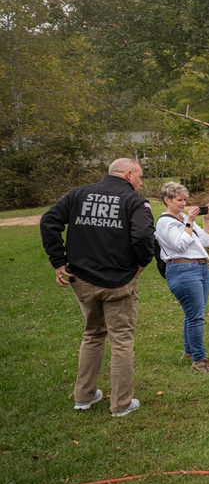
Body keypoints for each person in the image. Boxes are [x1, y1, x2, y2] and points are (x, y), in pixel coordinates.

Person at [40, 157, 154, 417]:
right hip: (120, 282)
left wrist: (59, 262)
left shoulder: (78, 194)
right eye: (140, 176)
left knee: (92, 333)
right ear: (128, 174)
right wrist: (142, 262)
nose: (141, 181)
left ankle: (84, 396)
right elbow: (144, 235)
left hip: (83, 280)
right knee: (121, 340)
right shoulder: (135, 201)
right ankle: (121, 404)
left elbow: (49, 222)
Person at [155, 182, 209, 373]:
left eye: (185, 200)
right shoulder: (165, 222)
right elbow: (180, 245)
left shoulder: (183, 217)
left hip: (200, 268)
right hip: (183, 270)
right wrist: (189, 221)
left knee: (193, 314)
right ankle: (199, 360)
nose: (183, 204)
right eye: (179, 200)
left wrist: (206, 220)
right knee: (196, 316)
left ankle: (189, 352)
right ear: (167, 200)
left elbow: (207, 241)